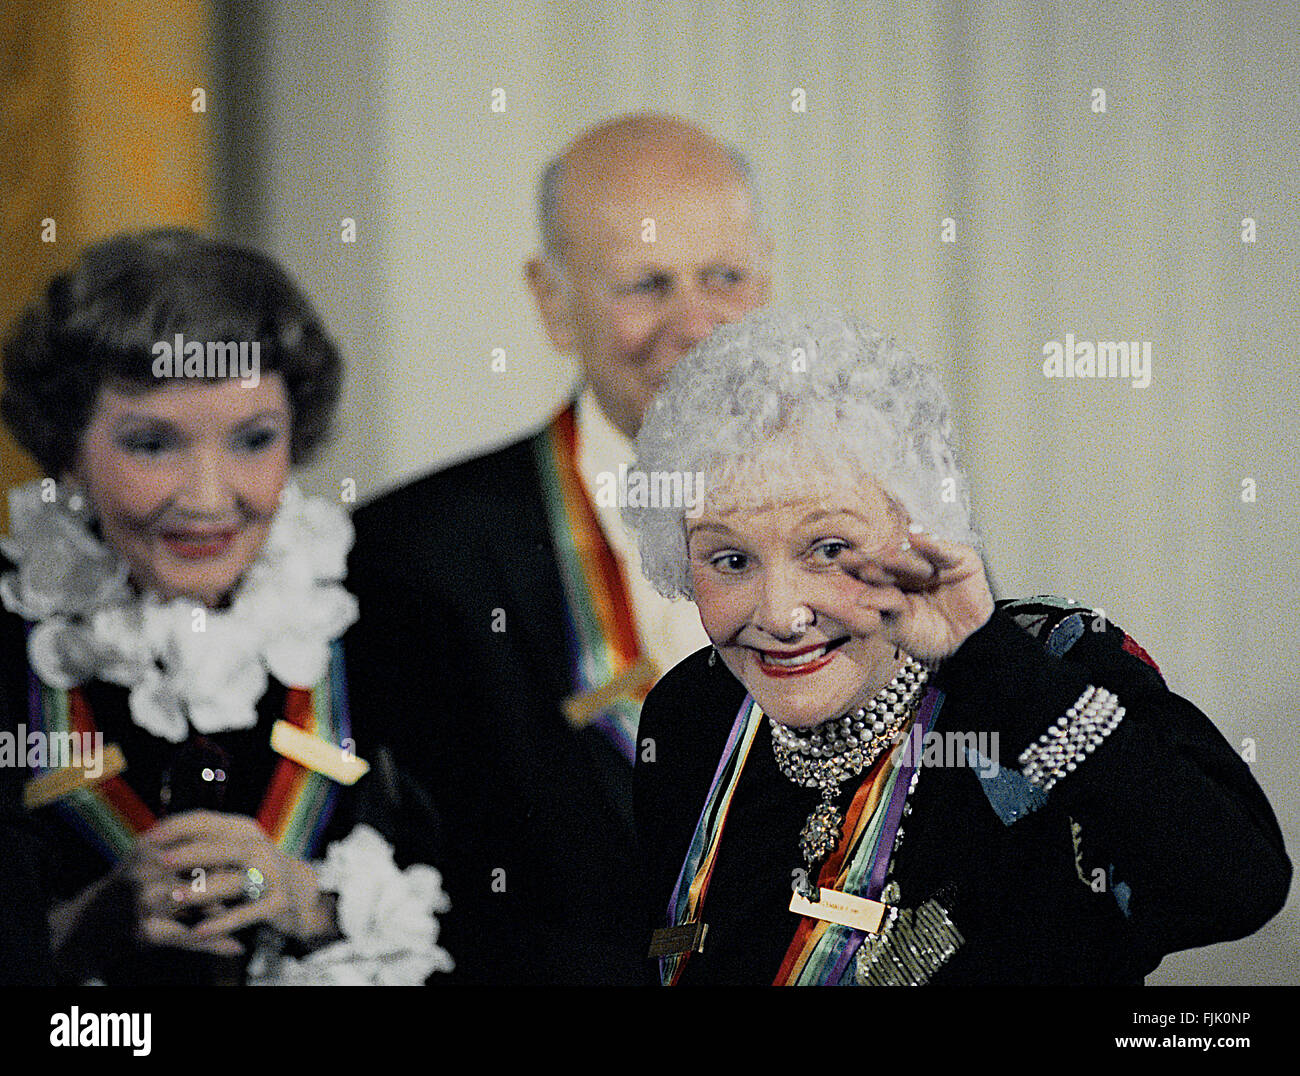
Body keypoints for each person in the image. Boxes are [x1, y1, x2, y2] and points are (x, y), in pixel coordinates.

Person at [625, 305, 1291, 985]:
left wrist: (985, 656)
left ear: (918, 522)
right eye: (730, 561)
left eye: (828, 549)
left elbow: (1239, 887)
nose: (782, 614)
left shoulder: (1049, 663)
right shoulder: (693, 711)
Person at [345, 113, 772, 983]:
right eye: (646, 285)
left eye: (723, 276)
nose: (696, 325)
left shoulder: (877, 526)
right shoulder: (415, 555)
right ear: (551, 301)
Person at [0, 228, 453, 985]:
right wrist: (87, 927)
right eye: (152, 445)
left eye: (253, 440)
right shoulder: (14, 632)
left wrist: (311, 903)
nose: (210, 500)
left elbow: (500, 918)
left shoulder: (391, 615)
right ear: (66, 448)